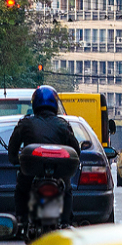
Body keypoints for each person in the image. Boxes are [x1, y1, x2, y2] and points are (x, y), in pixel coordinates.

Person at [8, 85, 81, 230]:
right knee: (67, 189)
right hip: (58, 173)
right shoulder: (63, 125)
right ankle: (66, 222)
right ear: (55, 104)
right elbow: (76, 150)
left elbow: (12, 149)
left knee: (21, 189)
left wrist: (15, 160)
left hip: (31, 172)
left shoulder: (25, 123)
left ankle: (21, 220)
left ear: (34, 103)